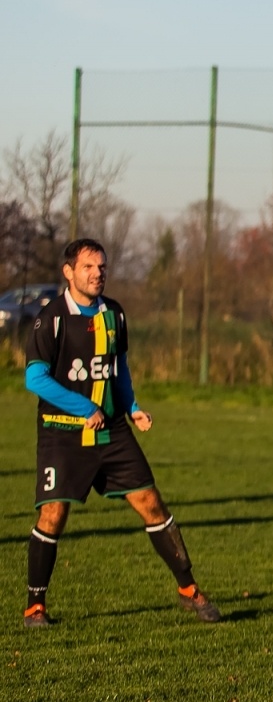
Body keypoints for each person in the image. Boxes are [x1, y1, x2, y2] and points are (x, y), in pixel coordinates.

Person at [22, 238, 222, 628]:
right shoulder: (51, 318)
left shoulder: (114, 313)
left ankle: (188, 590)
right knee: (53, 514)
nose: (97, 274)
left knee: (152, 504)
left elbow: (119, 368)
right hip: (63, 432)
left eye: (102, 268)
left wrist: (132, 407)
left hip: (111, 430)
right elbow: (34, 379)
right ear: (69, 272)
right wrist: (85, 408)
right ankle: (35, 607)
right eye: (88, 268)